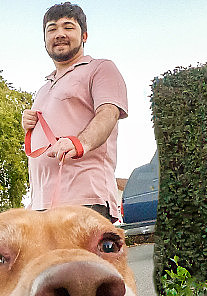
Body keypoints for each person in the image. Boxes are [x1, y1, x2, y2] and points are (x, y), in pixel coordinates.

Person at [22, 2, 128, 222]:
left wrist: (80, 143)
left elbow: (108, 112)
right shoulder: (43, 87)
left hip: (84, 200)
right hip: (41, 206)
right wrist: (29, 124)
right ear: (45, 40)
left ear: (84, 36)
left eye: (68, 27)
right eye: (52, 29)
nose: (59, 34)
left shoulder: (100, 68)